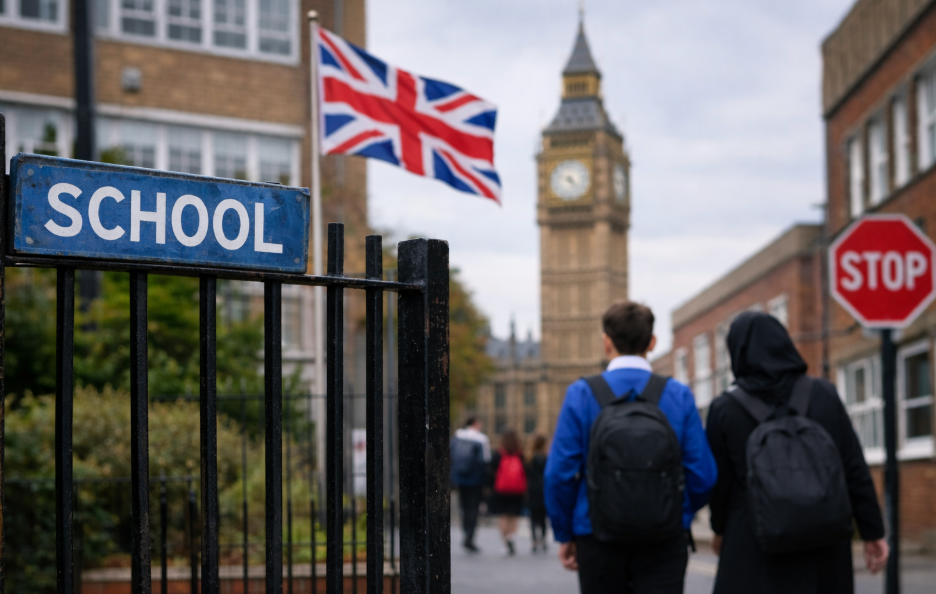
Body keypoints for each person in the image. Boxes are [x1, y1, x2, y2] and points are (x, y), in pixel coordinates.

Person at [706, 311, 888, 593]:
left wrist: (720, 530)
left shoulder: (725, 408)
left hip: (754, 541)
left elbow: (720, 485)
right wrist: (872, 531)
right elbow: (853, 467)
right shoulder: (824, 394)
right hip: (823, 539)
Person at [545, 300, 717, 594]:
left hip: (596, 535)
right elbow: (703, 474)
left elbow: (558, 474)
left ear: (606, 342)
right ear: (652, 342)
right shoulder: (678, 394)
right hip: (664, 538)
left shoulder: (582, 393)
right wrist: (678, 512)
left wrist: (565, 533)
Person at [450, 417, 491, 553]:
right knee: (473, 508)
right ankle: (470, 537)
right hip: (475, 480)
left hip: (460, 479)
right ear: (476, 424)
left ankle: (465, 532)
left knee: (464, 506)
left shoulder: (457, 437)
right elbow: (485, 460)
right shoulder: (481, 439)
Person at [489, 429, 527, 555]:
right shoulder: (520, 454)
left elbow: (492, 470)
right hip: (517, 489)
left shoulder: (499, 453)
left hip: (502, 489)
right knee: (514, 515)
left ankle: (505, 543)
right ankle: (512, 537)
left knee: (503, 515)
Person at [527, 434, 549, 553]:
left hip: (532, 490)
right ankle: (544, 539)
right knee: (542, 517)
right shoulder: (547, 458)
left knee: (533, 517)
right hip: (544, 489)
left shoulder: (529, 458)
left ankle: (534, 540)